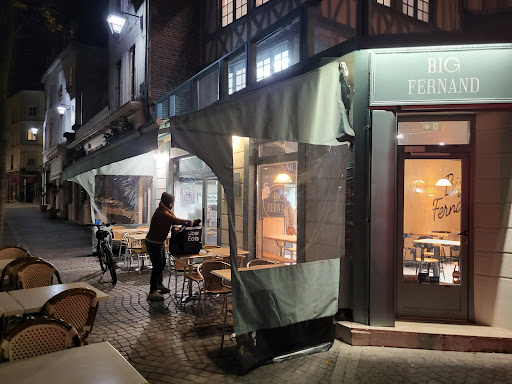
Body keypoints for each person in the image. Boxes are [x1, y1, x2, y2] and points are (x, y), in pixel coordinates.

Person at [145, 192, 200, 301]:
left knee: (162, 264)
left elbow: (173, 220)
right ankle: (152, 291)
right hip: (153, 243)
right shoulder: (163, 212)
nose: (173, 204)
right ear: (168, 203)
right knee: (157, 266)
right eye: (172, 202)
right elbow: (175, 220)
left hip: (158, 242)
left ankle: (159, 284)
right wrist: (192, 222)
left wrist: (174, 227)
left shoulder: (165, 209)